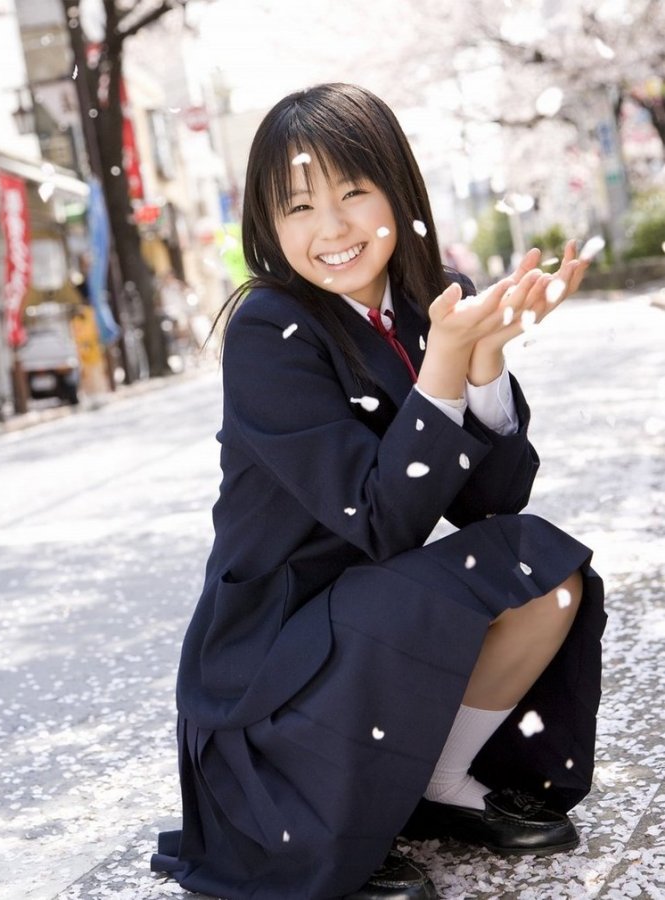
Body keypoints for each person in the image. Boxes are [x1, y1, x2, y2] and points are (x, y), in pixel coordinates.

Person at [151, 83, 606, 900]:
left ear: (397, 189)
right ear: (266, 223)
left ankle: (437, 779)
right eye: (298, 205)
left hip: (365, 613)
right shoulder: (268, 330)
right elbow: (379, 521)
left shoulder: (437, 300)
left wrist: (485, 357)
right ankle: (338, 805)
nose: (331, 228)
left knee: (545, 574)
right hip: (276, 658)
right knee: (412, 597)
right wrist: (443, 367)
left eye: (353, 192)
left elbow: (493, 505)